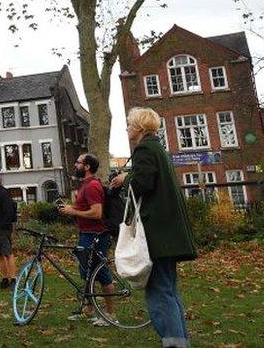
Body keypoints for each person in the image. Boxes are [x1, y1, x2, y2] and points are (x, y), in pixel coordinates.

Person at [112, 107, 197, 348]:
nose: (127, 128)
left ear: (139, 127)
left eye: (129, 124)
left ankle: (173, 343)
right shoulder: (157, 148)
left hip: (157, 234)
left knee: (159, 291)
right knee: (168, 289)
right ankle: (180, 340)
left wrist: (124, 180)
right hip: (169, 233)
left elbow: (143, 182)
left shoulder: (144, 148)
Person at [59, 153, 115, 326]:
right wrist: (70, 208)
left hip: (96, 235)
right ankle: (89, 310)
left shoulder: (92, 186)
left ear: (87, 166)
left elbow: (96, 212)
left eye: (78, 162)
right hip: (86, 234)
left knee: (102, 273)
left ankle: (110, 314)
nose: (75, 165)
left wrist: (73, 211)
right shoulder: (84, 185)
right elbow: (83, 208)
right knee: (87, 273)